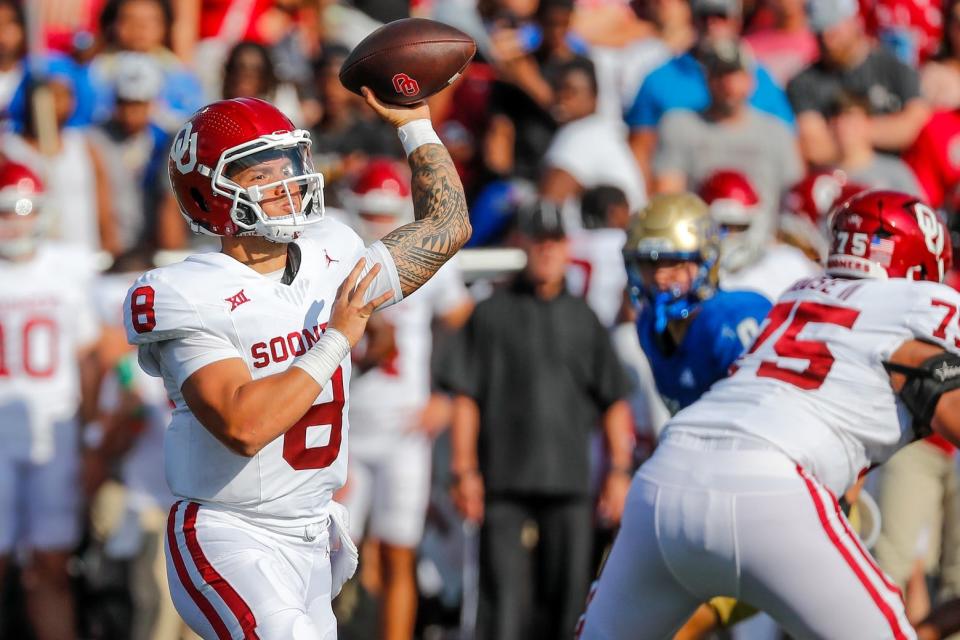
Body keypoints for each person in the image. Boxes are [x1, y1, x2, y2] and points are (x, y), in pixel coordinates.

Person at [122, 93, 470, 638]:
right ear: (209, 193)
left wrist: (415, 125)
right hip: (229, 533)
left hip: (314, 534)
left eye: (290, 167)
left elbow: (447, 228)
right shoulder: (184, 292)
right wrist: (336, 339)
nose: (289, 187)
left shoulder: (332, 249)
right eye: (264, 175)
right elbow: (244, 426)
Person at [578, 189, 960, 639]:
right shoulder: (917, 307)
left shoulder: (795, 298)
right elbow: (934, 386)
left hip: (663, 479)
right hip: (773, 485)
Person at [441, 202, 634, 640]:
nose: (546, 251)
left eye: (554, 242)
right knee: (501, 605)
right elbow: (466, 396)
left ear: (566, 248)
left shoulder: (584, 318)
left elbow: (613, 400)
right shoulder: (491, 312)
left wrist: (619, 471)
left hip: (569, 482)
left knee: (568, 603)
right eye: (538, 241)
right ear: (521, 244)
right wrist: (463, 469)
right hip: (503, 479)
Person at [339, 158, 474, 640]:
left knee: (400, 553)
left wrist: (447, 395)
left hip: (404, 430)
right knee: (330, 559)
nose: (377, 224)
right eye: (369, 213)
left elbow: (463, 323)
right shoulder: (331, 254)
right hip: (345, 433)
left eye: (384, 213)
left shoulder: (423, 255)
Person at [0, 161, 101, 640]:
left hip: (55, 434)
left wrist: (89, 434)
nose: (15, 223)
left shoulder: (67, 269)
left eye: (24, 211)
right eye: (6, 212)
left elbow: (88, 357)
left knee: (53, 566)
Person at [623, 191, 771, 414]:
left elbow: (764, 412)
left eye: (674, 263)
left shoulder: (731, 318)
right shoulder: (648, 324)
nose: (659, 278)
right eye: (649, 265)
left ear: (706, 260)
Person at [653, 39, 802, 208]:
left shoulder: (777, 131)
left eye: (734, 74)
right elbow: (667, 197)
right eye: (719, 75)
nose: (727, 84)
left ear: (751, 80)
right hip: (701, 230)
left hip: (761, 233)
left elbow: (793, 198)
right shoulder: (680, 124)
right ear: (707, 79)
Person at [786, 0, 930, 165]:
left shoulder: (895, 67)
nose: (827, 40)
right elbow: (813, 146)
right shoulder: (803, 82)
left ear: (854, 21)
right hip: (839, 177)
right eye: (819, 33)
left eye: (833, 30)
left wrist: (859, 131)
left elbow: (916, 124)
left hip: (897, 173)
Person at [540, 58, 646, 212]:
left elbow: (547, 206)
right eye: (558, 89)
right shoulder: (600, 131)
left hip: (609, 233)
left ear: (594, 96)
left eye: (572, 91)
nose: (562, 97)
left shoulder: (580, 134)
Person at [699, 169, 821, 303]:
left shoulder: (786, 264)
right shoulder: (692, 272)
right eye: (726, 227)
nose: (733, 236)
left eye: (741, 227)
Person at [826, 91, 923, 195]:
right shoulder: (824, 179)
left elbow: (918, 208)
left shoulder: (895, 171)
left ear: (868, 122)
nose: (843, 128)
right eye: (837, 122)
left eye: (851, 121)